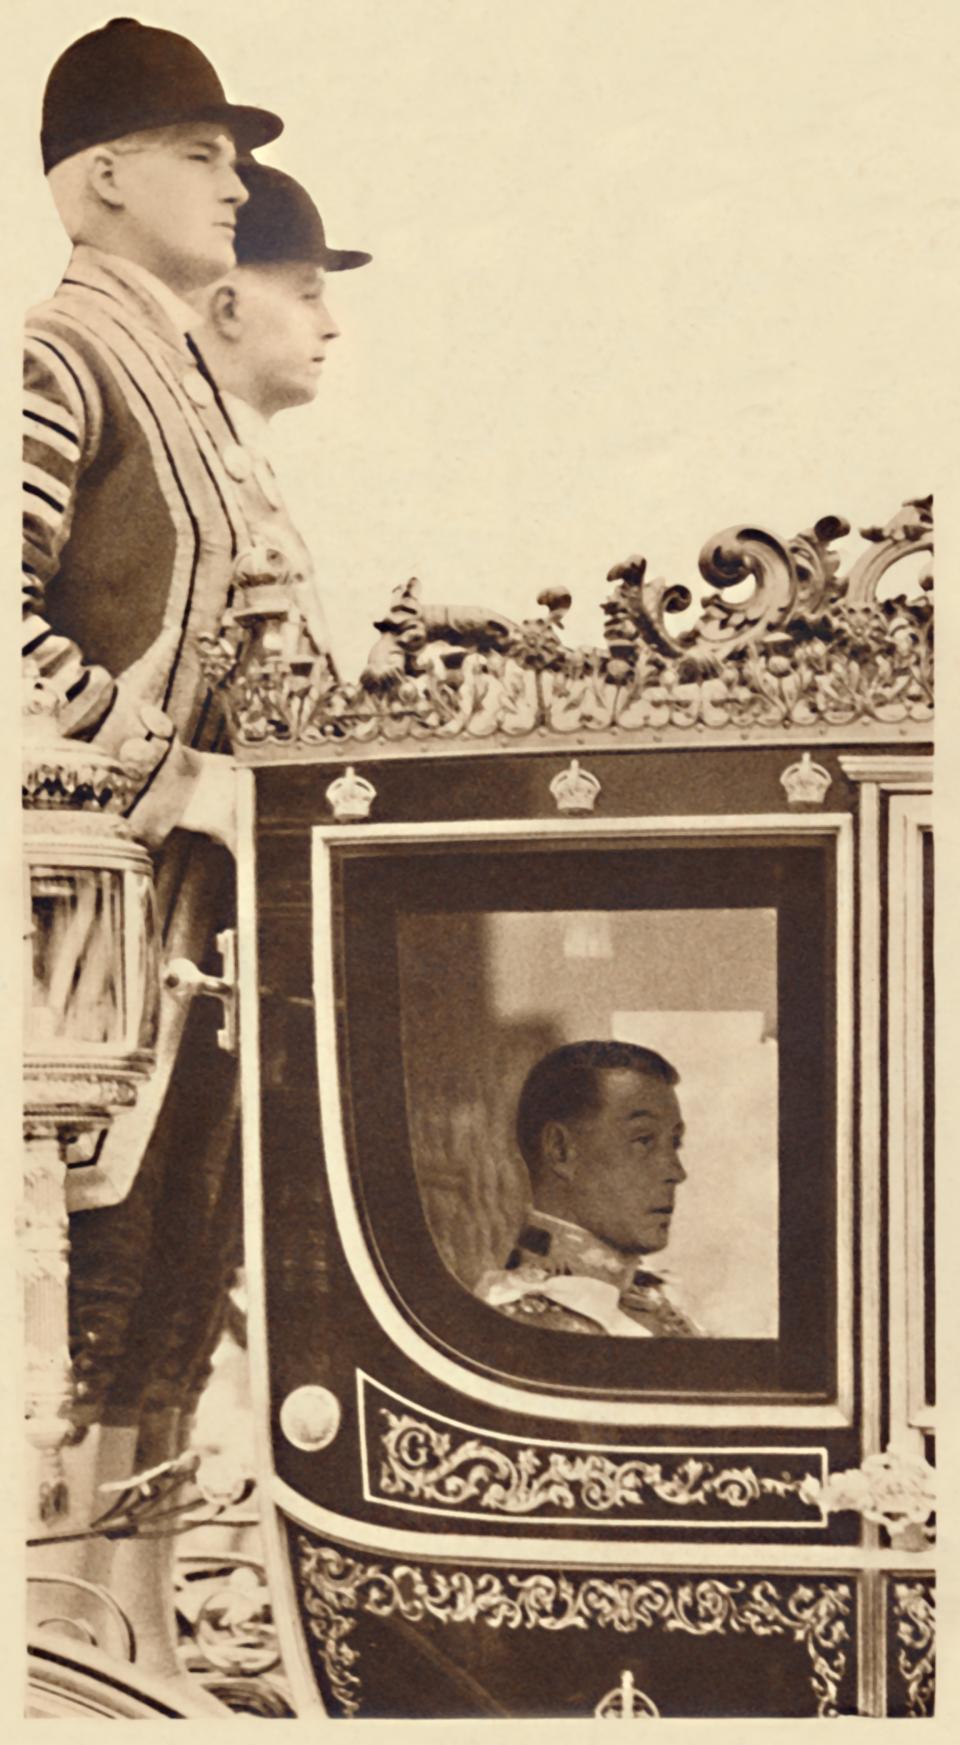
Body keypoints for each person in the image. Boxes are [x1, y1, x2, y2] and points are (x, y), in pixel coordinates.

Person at [22, 17, 292, 1701]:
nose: (236, 176)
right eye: (205, 152)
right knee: (103, 1276)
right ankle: (60, 1649)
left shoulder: (180, 368)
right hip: (98, 917)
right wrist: (148, 752)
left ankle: (127, 1640)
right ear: (104, 178)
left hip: (206, 905)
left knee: (188, 1271)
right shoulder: (58, 355)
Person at [190, 160, 371, 665]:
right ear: (228, 308)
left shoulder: (239, 453)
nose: (330, 325)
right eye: (308, 296)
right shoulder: (167, 455)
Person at [476, 1040, 703, 1336]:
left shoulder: (661, 1307)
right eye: (643, 1140)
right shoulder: (521, 1324)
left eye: (675, 1143)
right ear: (560, 1151)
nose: (677, 1172)